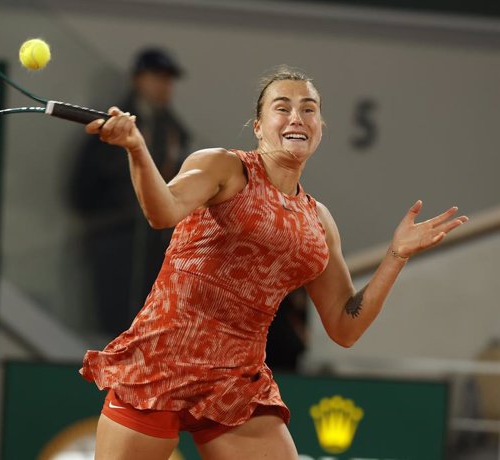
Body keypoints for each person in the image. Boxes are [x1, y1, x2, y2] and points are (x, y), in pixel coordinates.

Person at [78, 65, 469, 460]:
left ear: (320, 127)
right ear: (259, 127)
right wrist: (136, 148)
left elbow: (344, 326)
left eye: (309, 109)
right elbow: (162, 211)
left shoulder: (319, 222)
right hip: (160, 361)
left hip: (236, 385)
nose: (297, 117)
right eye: (282, 108)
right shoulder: (222, 167)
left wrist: (396, 256)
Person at [69, 47, 189, 336]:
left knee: (151, 322)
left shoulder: (175, 132)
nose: (164, 86)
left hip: (155, 241)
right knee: (113, 320)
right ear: (138, 79)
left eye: (168, 79)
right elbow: (81, 189)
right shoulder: (108, 126)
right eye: (157, 77)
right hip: (113, 237)